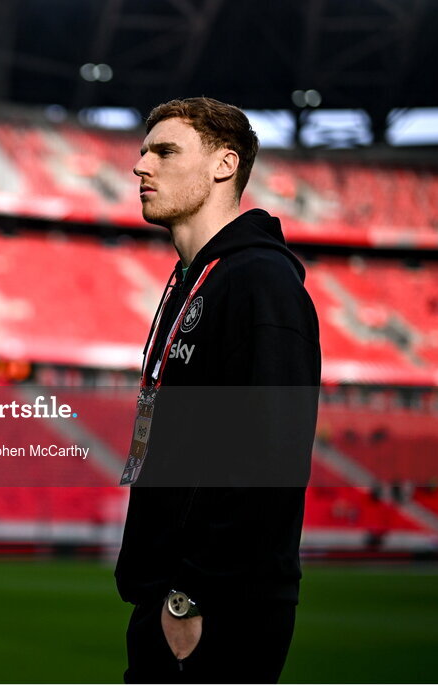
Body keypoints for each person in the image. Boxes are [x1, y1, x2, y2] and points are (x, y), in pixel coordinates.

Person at [115, 97, 321, 683]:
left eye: (165, 151)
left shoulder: (260, 282)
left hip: (215, 607)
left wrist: (190, 596)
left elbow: (270, 456)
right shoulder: (193, 281)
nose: (141, 166)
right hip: (168, 597)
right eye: (142, 151)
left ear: (224, 165)